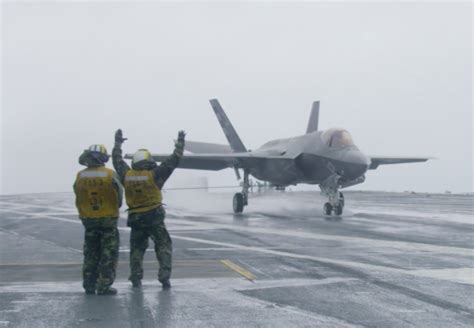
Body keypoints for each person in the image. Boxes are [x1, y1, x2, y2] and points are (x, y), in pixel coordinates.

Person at [112, 129, 185, 289]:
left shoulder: (127, 175)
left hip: (136, 217)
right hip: (154, 216)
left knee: (137, 248)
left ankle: (136, 277)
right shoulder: (156, 174)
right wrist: (180, 143)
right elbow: (173, 161)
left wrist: (117, 144)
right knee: (163, 244)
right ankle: (164, 276)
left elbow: (117, 161)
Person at [74, 144, 123, 295]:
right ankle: (104, 285)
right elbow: (119, 197)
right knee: (108, 253)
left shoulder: (80, 175)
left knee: (91, 253)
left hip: (89, 220)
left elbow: (78, 193)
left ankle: (89, 284)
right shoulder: (110, 174)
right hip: (107, 219)